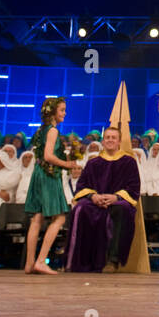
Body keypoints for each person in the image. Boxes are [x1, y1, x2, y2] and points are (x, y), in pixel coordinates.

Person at [66, 125, 141, 273]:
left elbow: (133, 187)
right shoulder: (93, 162)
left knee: (122, 209)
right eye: (107, 137)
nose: (110, 140)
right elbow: (81, 186)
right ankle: (81, 260)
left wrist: (116, 197)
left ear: (119, 141)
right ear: (103, 140)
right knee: (81, 209)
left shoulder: (128, 162)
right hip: (96, 200)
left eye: (114, 138)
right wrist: (93, 196)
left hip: (117, 201)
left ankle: (112, 261)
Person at [23, 97, 82, 274]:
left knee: (37, 219)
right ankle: (41, 261)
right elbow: (48, 156)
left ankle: (29, 263)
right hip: (48, 175)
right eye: (62, 110)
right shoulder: (53, 130)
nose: (64, 113)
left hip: (38, 173)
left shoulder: (41, 130)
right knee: (60, 218)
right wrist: (68, 164)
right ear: (53, 112)